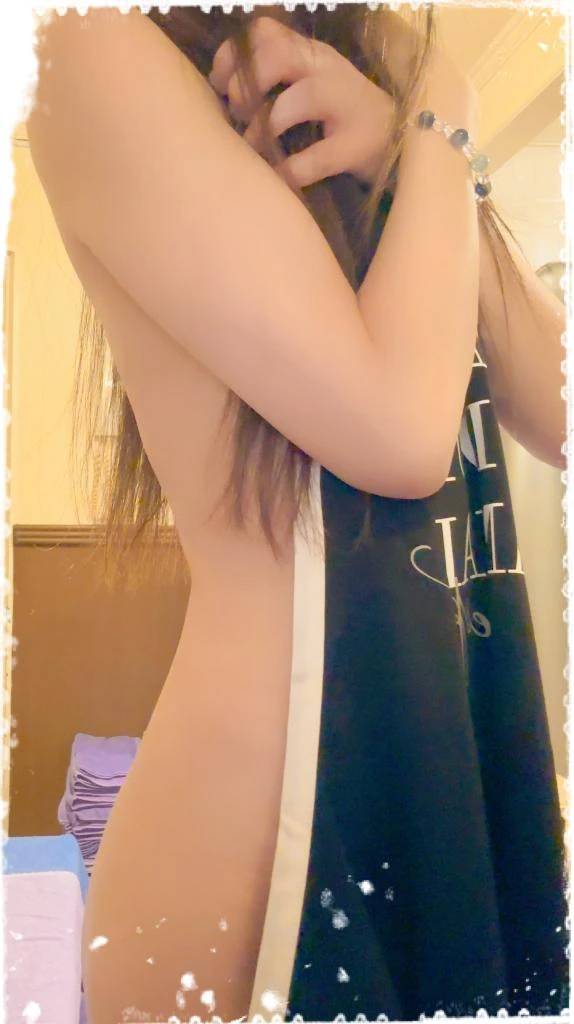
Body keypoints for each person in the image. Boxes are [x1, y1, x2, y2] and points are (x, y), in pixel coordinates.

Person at [27, 5, 569, 1022]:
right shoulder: (89, 46)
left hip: (460, 769)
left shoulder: (374, 80)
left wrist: (421, 148)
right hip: (256, 860)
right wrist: (444, 92)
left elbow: (557, 410)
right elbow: (400, 433)